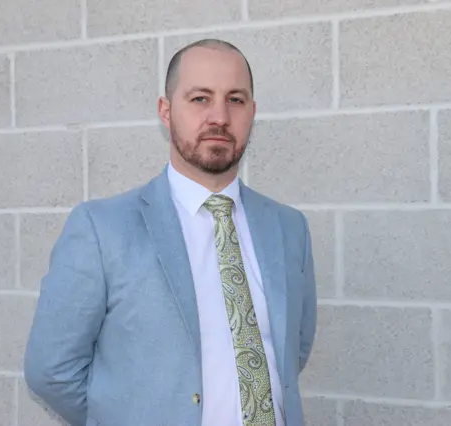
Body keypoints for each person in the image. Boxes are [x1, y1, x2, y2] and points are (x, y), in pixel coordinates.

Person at [23, 38, 317, 426]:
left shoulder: (288, 228)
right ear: (166, 111)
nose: (219, 117)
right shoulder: (102, 229)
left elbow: (293, 348)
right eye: (199, 99)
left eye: (235, 99)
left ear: (252, 111)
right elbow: (51, 370)